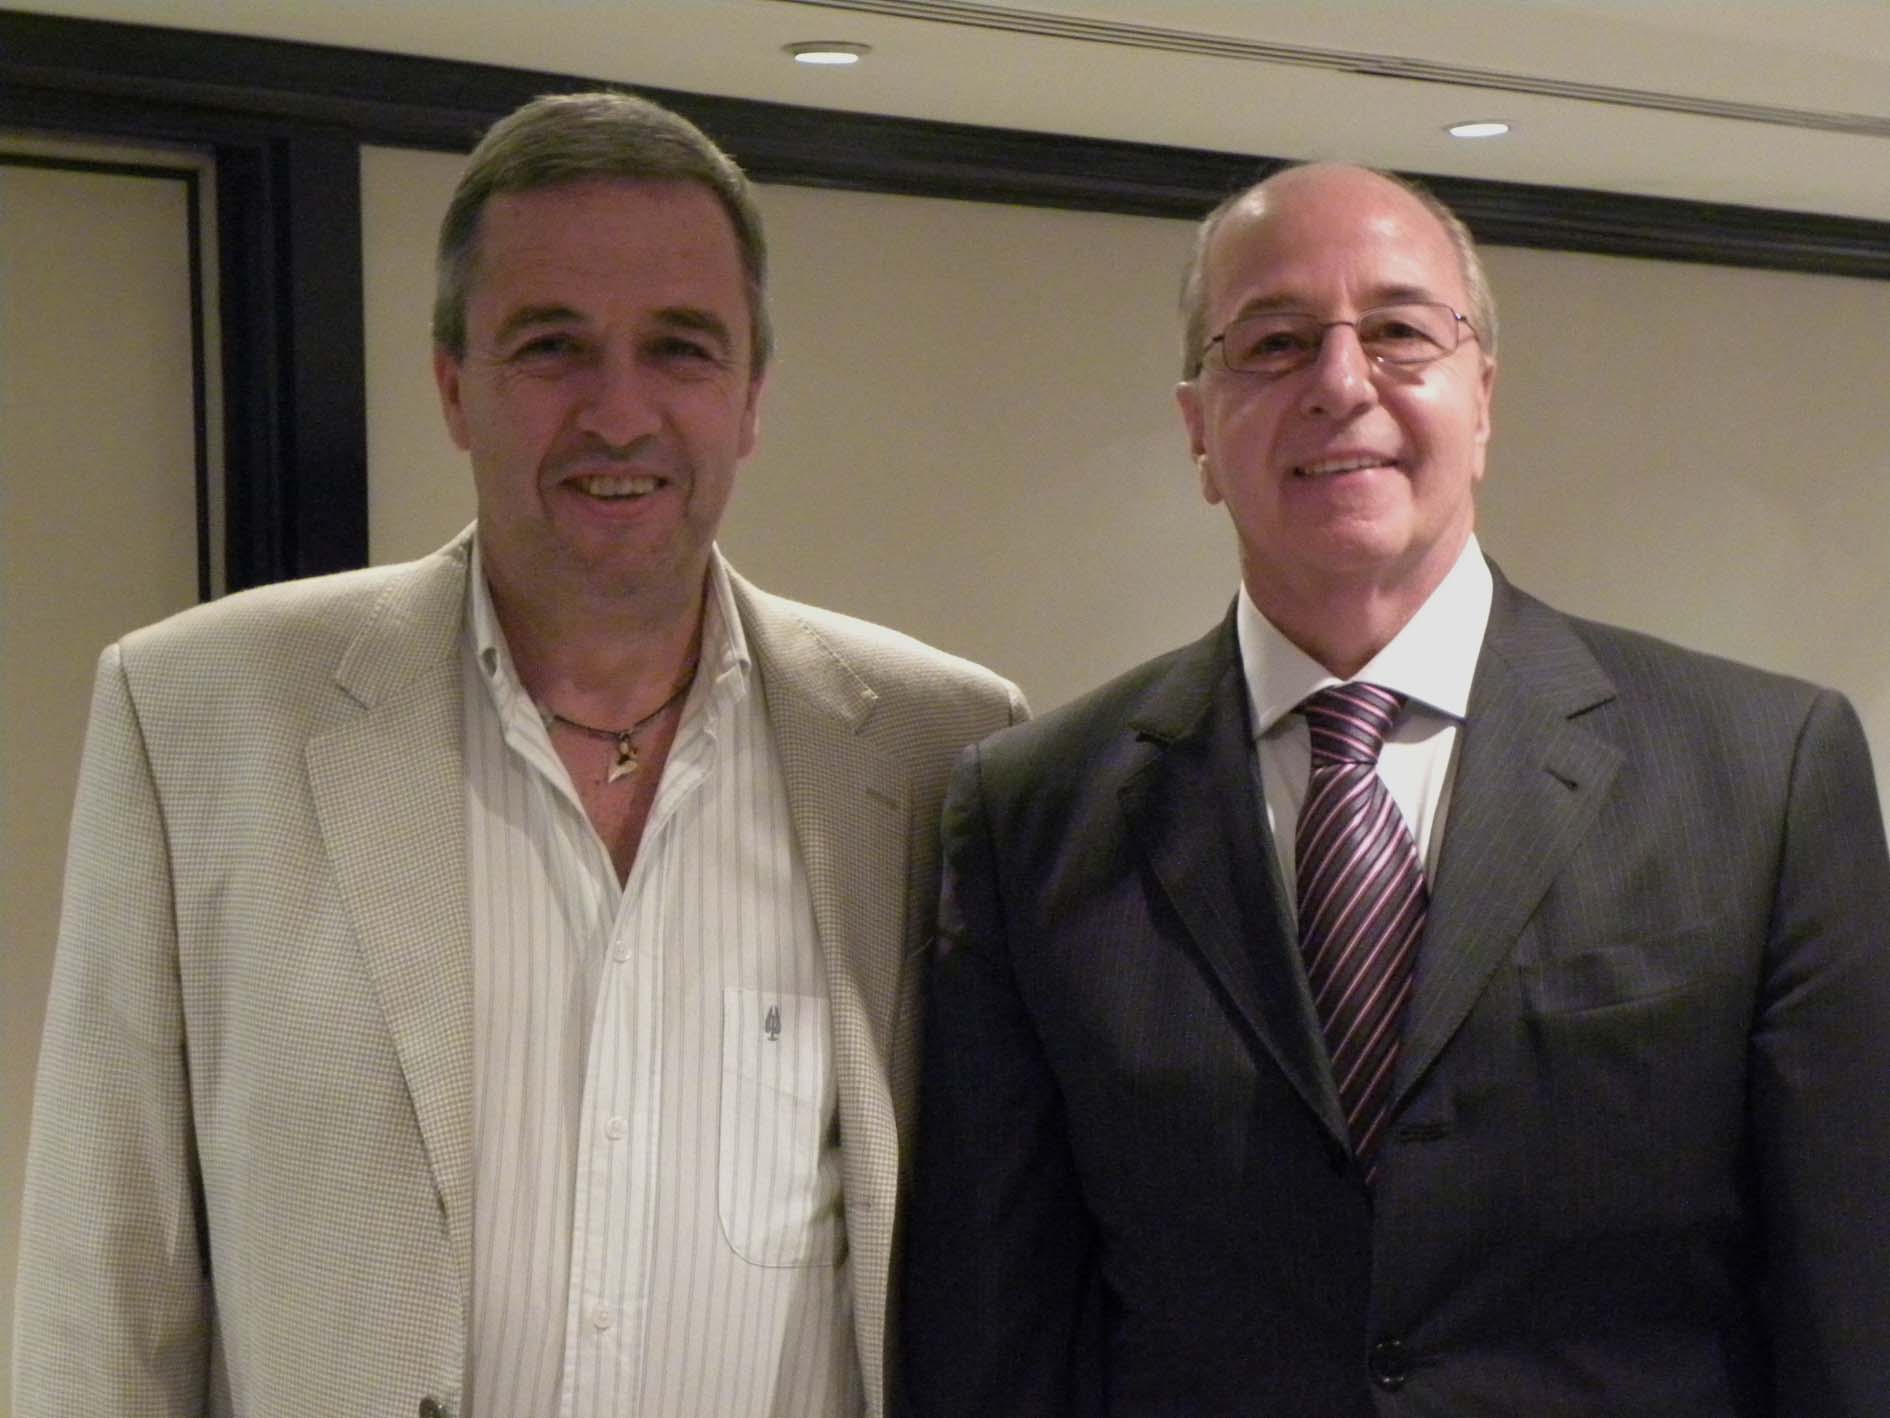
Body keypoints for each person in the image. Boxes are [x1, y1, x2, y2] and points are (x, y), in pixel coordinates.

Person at [14, 90, 1022, 1418]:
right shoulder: (201, 714)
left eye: (680, 348)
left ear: (749, 399)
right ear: (454, 387)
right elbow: (105, 1288)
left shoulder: (938, 747)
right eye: (553, 347)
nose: (619, 411)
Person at [901, 162, 1890, 1416]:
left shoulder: (1765, 771)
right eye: (1274, 342)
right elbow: (998, 1331)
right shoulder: (1031, 811)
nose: (1341, 381)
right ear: (1199, 427)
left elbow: (1853, 1307)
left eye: (1400, 332)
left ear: (1483, 399)